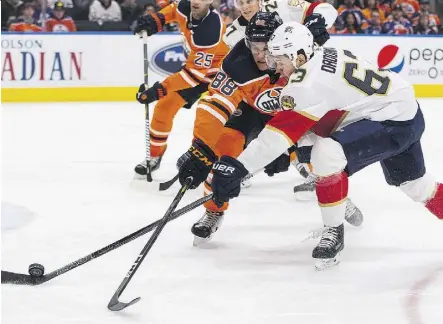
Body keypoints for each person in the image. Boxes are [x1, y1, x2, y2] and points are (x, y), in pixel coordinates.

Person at [209, 21, 443, 270]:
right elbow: (325, 115)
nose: (276, 67)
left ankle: (333, 230)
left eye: (280, 60)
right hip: (403, 110)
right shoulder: (323, 54)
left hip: (391, 121)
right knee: (417, 186)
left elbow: (276, 135)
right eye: (273, 58)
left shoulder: (305, 83)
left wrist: (239, 167)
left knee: (327, 153)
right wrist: (294, 147)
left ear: (299, 55)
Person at [177, 10, 362, 245]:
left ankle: (339, 201)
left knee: (314, 156)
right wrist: (201, 146)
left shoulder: (295, 56)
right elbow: (215, 102)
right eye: (254, 47)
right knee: (224, 147)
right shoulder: (236, 63)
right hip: (249, 111)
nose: (260, 55)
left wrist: (283, 149)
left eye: (266, 48)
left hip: (290, 112)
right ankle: (214, 210)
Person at [132, 0, 230, 177]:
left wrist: (159, 90)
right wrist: (157, 19)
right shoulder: (184, 6)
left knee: (215, 120)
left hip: (222, 75)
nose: (196, 2)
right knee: (165, 106)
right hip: (196, 70)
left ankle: (224, 162)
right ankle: (154, 156)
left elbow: (193, 76)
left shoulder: (211, 28)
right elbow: (172, 10)